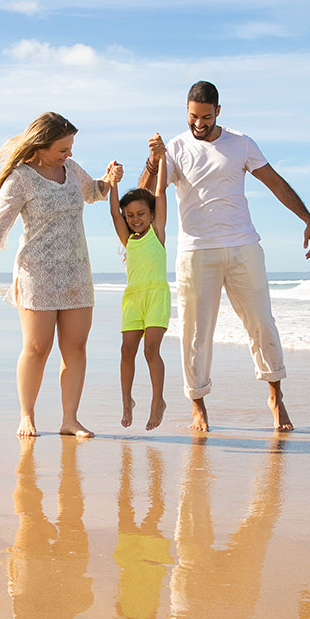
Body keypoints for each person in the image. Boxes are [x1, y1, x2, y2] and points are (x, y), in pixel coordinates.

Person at [139, 81, 310, 433]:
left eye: (206, 117)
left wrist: (308, 218)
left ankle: (275, 396)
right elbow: (146, 194)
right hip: (195, 251)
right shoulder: (174, 148)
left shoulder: (241, 143)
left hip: (243, 247)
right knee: (195, 334)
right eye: (193, 117)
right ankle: (199, 406)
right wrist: (153, 160)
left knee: (262, 324)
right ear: (186, 112)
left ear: (218, 111)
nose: (200, 125)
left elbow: (276, 182)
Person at [0, 111, 120, 439]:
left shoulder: (70, 170)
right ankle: (26, 416)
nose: (69, 154)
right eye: (62, 149)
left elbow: (93, 192)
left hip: (76, 272)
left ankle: (70, 420)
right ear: (41, 147)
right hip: (37, 273)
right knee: (37, 347)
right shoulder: (21, 178)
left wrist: (109, 180)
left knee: (76, 346)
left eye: (71, 147)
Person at [108, 153, 171, 431]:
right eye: (130, 215)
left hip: (156, 296)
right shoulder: (127, 239)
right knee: (126, 350)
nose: (135, 219)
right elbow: (113, 212)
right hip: (133, 298)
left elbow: (160, 191)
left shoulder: (157, 231)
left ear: (152, 214)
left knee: (151, 350)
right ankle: (126, 401)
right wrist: (112, 183)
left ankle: (158, 401)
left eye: (141, 214)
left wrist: (163, 159)